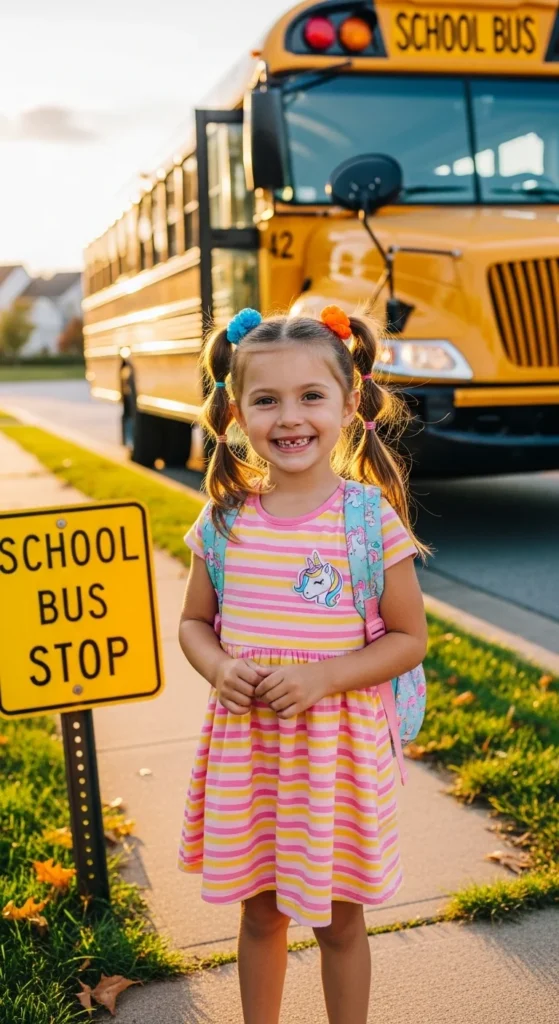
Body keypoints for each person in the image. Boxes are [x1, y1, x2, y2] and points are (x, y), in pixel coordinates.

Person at [178, 305, 428, 1024]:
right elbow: (195, 622)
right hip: (251, 751)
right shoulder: (223, 520)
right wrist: (217, 666)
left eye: (310, 396)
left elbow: (407, 639)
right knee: (259, 917)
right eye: (266, 399)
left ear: (349, 403)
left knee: (338, 923)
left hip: (334, 757)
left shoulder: (365, 518)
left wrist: (321, 676)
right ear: (235, 411)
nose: (289, 417)